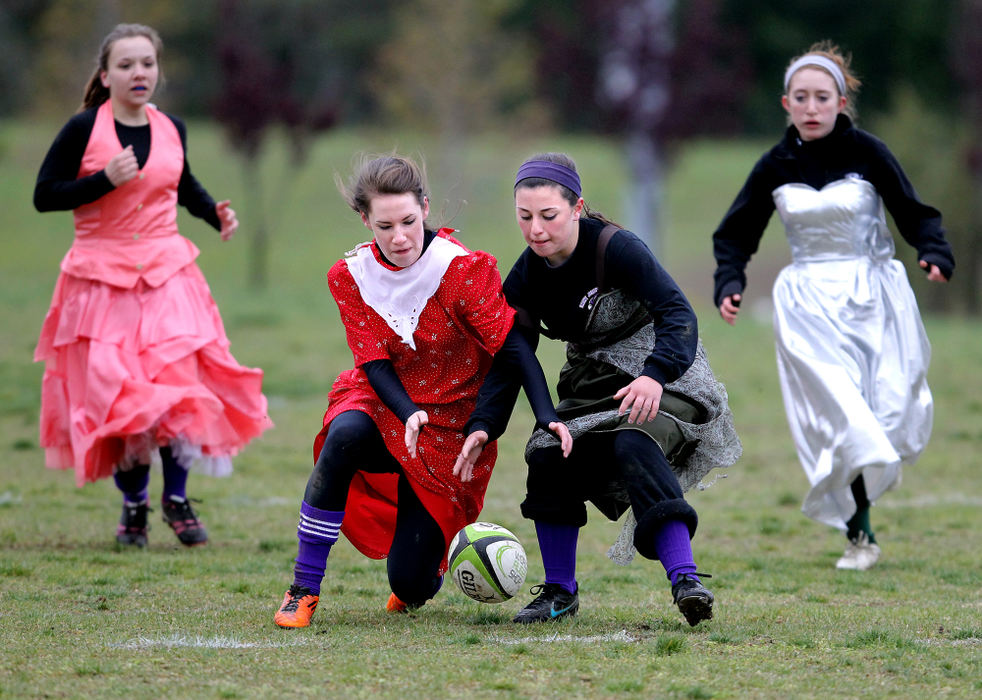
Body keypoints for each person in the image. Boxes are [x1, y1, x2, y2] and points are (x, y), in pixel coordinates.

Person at [273, 154, 571, 629]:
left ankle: (420, 572)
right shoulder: (347, 276)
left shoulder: (462, 269)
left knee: (410, 585)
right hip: (383, 401)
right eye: (385, 225)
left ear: (426, 208)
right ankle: (303, 588)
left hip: (449, 426)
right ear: (365, 219)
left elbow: (511, 348)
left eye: (409, 221)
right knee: (343, 435)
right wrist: (406, 410)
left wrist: (545, 413)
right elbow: (371, 361)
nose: (399, 238)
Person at [457, 153, 741, 627]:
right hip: (590, 383)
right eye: (524, 217)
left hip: (667, 375)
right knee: (547, 453)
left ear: (577, 207)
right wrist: (485, 424)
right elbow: (513, 359)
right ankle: (559, 593)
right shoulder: (526, 278)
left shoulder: (617, 248)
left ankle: (686, 581)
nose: (536, 230)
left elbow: (678, 314)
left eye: (548, 216)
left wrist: (654, 373)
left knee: (635, 439)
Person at [711, 42, 954, 570]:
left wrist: (933, 250)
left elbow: (913, 211)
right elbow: (735, 233)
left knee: (886, 413)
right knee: (843, 419)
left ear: (841, 102)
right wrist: (730, 280)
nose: (812, 107)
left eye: (822, 97)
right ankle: (859, 533)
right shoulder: (775, 165)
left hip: (874, 299)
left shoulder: (868, 152)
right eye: (801, 97)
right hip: (807, 308)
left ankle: (860, 517)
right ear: (786, 104)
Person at [33, 23, 272, 548]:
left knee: (179, 390)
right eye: (126, 64)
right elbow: (44, 195)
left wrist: (214, 214)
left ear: (158, 71)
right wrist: (103, 181)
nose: (138, 73)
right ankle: (134, 505)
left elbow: (182, 185)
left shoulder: (172, 127)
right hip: (100, 282)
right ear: (105, 74)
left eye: (147, 63)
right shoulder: (82, 129)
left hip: (168, 276)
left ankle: (177, 499)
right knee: (122, 400)